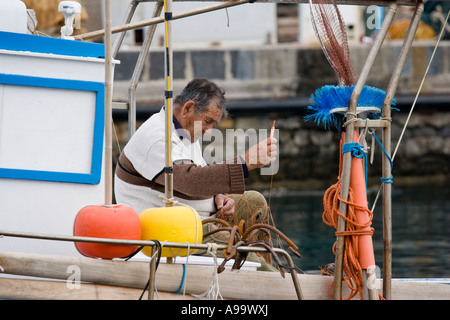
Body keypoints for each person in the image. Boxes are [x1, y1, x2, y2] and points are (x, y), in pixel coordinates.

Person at [114, 78, 277, 270]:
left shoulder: (185, 130)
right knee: (254, 263)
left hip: (196, 222)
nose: (208, 131)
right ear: (188, 108)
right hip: (169, 232)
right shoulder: (156, 138)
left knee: (255, 201)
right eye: (208, 122)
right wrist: (245, 163)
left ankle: (266, 270)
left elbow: (198, 172)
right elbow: (189, 181)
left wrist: (218, 196)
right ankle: (271, 279)